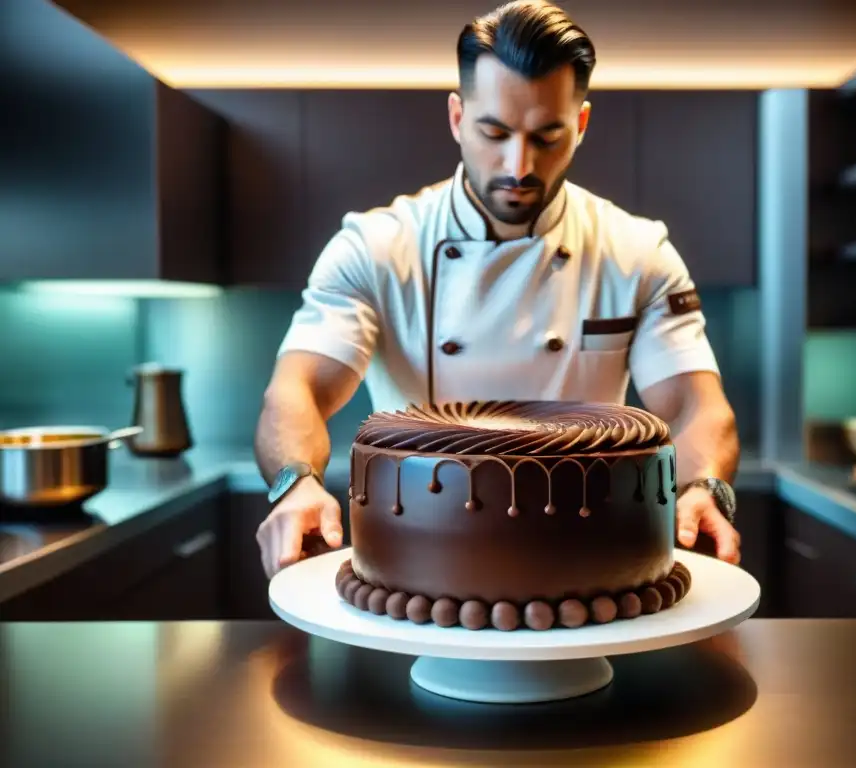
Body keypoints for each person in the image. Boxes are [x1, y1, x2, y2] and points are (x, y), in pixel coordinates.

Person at [254, 0, 741, 579]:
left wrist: (704, 486)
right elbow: (298, 389)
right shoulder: (377, 247)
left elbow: (696, 406)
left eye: (546, 136)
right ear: (458, 118)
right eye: (495, 132)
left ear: (580, 125)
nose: (519, 164)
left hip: (585, 565)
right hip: (418, 568)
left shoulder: (637, 252)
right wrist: (294, 483)